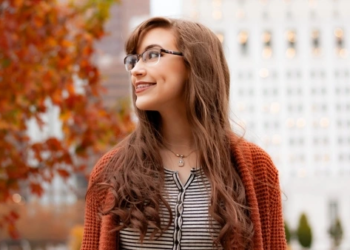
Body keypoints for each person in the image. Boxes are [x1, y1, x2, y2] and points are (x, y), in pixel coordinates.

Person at [81, 17, 287, 250]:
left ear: (194, 64)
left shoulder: (256, 167)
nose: (136, 70)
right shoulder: (109, 170)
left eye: (152, 55)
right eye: (134, 60)